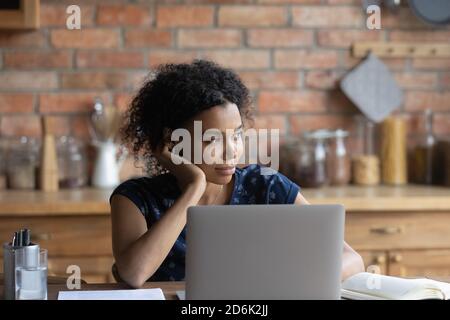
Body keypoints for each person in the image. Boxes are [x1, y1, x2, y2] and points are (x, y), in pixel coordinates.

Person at [110, 60, 364, 288]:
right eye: (212, 140)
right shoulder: (136, 199)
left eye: (237, 135)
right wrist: (194, 187)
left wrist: (295, 279)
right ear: (172, 140)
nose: (231, 152)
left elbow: (352, 259)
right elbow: (134, 273)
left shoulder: (265, 186)